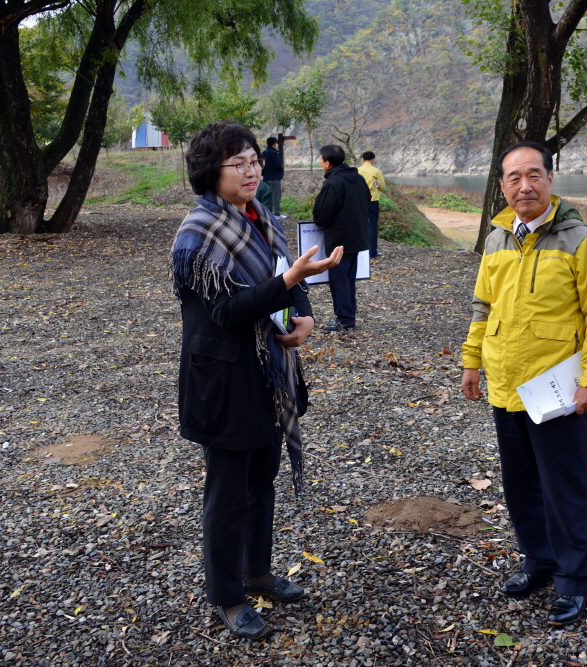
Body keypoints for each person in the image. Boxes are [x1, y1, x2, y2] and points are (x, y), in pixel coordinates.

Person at [170, 120, 344, 639]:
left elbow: (286, 272)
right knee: (227, 495)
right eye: (238, 163)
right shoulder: (198, 234)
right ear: (210, 171)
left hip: (271, 372)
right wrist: (287, 283)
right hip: (223, 379)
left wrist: (304, 310)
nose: (251, 170)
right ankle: (226, 595)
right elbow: (226, 311)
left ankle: (258, 571)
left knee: (261, 480)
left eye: (253, 160)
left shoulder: (263, 217)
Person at [460, 142, 587, 626]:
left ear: (550, 179)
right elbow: (483, 306)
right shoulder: (497, 239)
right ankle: (539, 561)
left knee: (564, 487)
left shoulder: (579, 240)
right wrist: (471, 361)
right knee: (521, 482)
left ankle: (574, 580)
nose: (523, 186)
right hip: (506, 384)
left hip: (557, 390)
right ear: (502, 184)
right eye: (513, 178)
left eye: (533, 176)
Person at [312, 144, 370, 332]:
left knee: (339, 279)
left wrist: (321, 220)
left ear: (328, 163)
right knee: (349, 278)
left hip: (339, 239)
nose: (320, 161)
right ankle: (348, 316)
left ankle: (344, 319)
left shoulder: (333, 183)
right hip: (358, 235)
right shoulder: (358, 178)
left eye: (321, 158)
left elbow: (322, 215)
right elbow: (368, 201)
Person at [357, 150, 386, 258]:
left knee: (360, 224)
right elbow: (382, 187)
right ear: (373, 159)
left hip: (359, 200)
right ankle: (372, 251)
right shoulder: (376, 171)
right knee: (372, 226)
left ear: (363, 160)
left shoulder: (357, 170)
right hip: (373, 200)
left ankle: (359, 250)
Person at [262, 137, 286, 219]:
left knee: (266, 196)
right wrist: (281, 171)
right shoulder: (274, 153)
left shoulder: (264, 153)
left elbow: (262, 165)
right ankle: (277, 213)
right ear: (274, 144)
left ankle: (266, 213)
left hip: (266, 177)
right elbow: (278, 165)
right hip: (274, 177)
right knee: (276, 195)